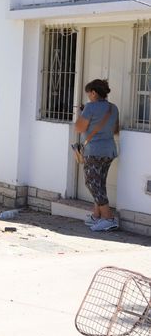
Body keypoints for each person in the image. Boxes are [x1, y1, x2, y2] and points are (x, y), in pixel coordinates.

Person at [76, 79, 120, 232]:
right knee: (99, 183)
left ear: (94, 93)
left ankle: (108, 218)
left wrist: (82, 113)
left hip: (94, 151)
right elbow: (115, 130)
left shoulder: (90, 107)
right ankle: (97, 215)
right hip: (109, 150)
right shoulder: (113, 108)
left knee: (91, 183)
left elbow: (79, 128)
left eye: (88, 93)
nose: (88, 96)